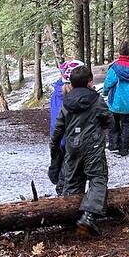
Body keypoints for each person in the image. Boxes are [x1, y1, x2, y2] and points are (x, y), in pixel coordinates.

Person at [50, 65, 112, 236]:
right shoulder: (96, 100)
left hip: (73, 147)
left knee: (73, 181)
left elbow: (59, 126)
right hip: (93, 147)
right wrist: (102, 125)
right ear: (90, 82)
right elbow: (108, 120)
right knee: (98, 179)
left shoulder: (66, 101)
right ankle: (88, 216)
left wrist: (54, 145)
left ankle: (70, 219)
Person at [49, 59, 85, 195]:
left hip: (58, 138)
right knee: (69, 168)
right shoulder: (74, 97)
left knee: (62, 165)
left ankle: (61, 187)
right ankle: (64, 193)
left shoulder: (57, 92)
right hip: (70, 139)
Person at [103, 42, 129, 156]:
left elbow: (108, 83)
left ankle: (113, 145)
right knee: (126, 125)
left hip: (115, 101)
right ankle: (124, 150)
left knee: (113, 124)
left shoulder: (115, 67)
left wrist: (105, 92)